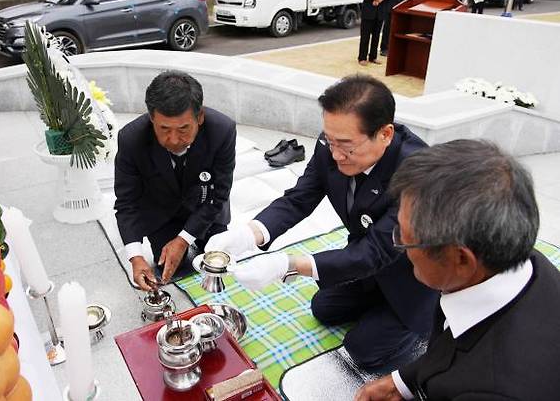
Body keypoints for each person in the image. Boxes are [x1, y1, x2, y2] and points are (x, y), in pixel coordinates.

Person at [206, 75, 438, 369]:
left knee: (362, 351)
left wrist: (288, 264)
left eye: (346, 146)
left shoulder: (418, 173)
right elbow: (299, 198)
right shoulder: (331, 144)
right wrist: (249, 234)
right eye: (330, 140)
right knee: (322, 307)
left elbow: (375, 252)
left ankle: (425, 333)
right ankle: (375, 306)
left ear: (386, 134)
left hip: (410, 279)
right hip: (365, 265)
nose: (336, 154)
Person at [354, 139, 560, 401]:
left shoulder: (495, 390)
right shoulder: (517, 258)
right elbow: (452, 348)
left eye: (405, 238)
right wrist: (401, 382)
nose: (399, 246)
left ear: (461, 259)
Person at [114, 70, 236, 290]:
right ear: (152, 119)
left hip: (206, 209)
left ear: (200, 118)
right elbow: (126, 203)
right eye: (164, 129)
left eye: (183, 129)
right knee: (173, 270)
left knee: (218, 264)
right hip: (161, 214)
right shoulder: (131, 139)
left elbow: (219, 194)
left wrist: (183, 239)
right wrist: (135, 256)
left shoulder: (223, 130)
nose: (173, 140)